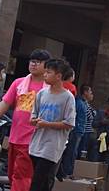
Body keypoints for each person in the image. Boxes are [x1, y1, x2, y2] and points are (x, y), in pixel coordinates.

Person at [0, 49, 51, 191]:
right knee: (12, 175)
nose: (33, 64)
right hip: (14, 137)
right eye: (32, 61)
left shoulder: (50, 88)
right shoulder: (19, 83)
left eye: (38, 62)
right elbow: (5, 102)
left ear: (46, 66)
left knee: (21, 176)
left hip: (33, 140)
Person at [28, 59, 75, 191]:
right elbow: (34, 114)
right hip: (36, 143)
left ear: (59, 76)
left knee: (38, 182)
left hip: (52, 147)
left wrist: (47, 124)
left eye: (48, 72)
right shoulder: (42, 93)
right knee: (42, 183)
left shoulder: (68, 97)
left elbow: (69, 123)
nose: (45, 75)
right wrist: (34, 120)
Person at [58, 77, 87, 181]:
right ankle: (66, 172)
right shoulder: (76, 100)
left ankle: (65, 172)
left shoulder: (81, 102)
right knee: (71, 151)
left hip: (76, 129)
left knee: (72, 151)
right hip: (74, 129)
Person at [93, 95, 109, 162]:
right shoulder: (101, 113)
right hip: (99, 141)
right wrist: (103, 122)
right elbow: (94, 124)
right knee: (96, 160)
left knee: (106, 162)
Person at [78, 85, 96, 160]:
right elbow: (91, 116)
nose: (92, 94)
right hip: (84, 131)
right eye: (90, 92)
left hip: (88, 132)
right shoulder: (83, 104)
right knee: (82, 149)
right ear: (85, 92)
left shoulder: (87, 105)